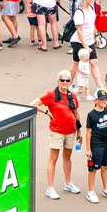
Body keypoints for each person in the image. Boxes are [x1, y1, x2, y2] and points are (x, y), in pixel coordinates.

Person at [31, 70, 83, 200]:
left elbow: (76, 114)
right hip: (57, 131)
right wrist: (46, 112)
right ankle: (50, 188)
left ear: (70, 82)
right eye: (62, 80)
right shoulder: (52, 95)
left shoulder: (72, 96)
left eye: (67, 80)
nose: (65, 83)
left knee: (67, 157)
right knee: (53, 158)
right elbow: (33, 104)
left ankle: (68, 183)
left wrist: (79, 131)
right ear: (58, 81)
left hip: (71, 131)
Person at [83, 89, 107, 203]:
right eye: (101, 99)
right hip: (96, 145)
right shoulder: (91, 115)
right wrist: (88, 149)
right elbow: (88, 132)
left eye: (105, 99)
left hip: (106, 143)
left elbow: (105, 126)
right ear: (95, 100)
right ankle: (90, 192)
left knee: (105, 167)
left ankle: (105, 189)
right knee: (93, 169)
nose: (104, 101)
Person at [71, 0, 104, 90]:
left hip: (89, 41)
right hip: (79, 42)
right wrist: (84, 46)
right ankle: (68, 84)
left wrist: (96, 35)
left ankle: (99, 85)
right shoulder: (79, 12)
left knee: (94, 62)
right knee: (76, 63)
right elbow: (79, 31)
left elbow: (92, 24)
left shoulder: (91, 8)